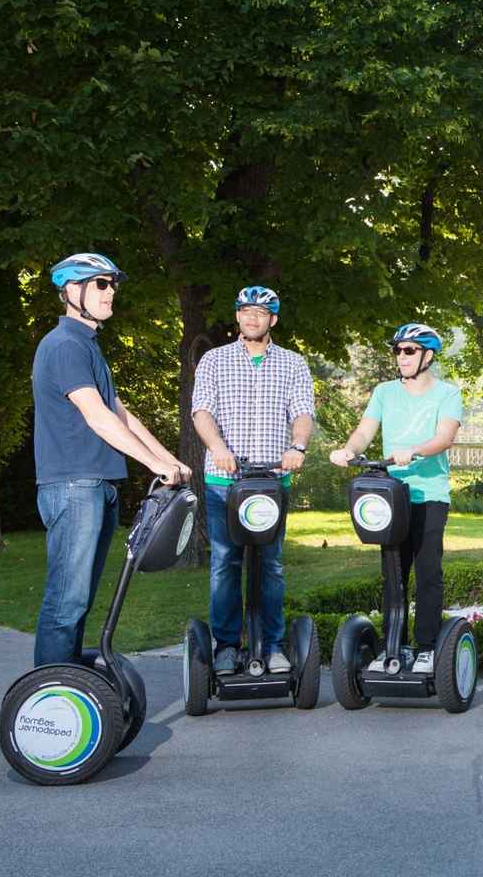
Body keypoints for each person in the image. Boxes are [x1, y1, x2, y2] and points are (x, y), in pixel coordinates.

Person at [31, 253, 191, 666]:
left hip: (96, 484)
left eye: (112, 284)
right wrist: (152, 464)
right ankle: (49, 698)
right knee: (67, 600)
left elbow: (121, 414)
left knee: (79, 598)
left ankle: (69, 683)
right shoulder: (63, 345)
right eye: (100, 283)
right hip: (73, 485)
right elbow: (97, 416)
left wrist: (167, 457)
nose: (110, 292)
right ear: (71, 291)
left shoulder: (87, 347)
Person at [191, 286, 315, 676]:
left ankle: (272, 644)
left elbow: (302, 412)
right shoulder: (214, 360)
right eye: (245, 310)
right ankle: (227, 645)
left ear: (272, 320)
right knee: (226, 562)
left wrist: (297, 447)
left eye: (260, 312)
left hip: (271, 482)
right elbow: (202, 411)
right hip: (223, 480)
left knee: (271, 565)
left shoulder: (293, 364)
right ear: (238, 316)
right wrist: (219, 448)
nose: (251, 318)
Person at [331, 323, 461, 674]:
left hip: (429, 494)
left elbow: (445, 437)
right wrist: (348, 450)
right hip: (392, 495)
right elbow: (364, 431)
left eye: (409, 351)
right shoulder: (385, 392)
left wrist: (414, 451)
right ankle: (394, 645)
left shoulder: (447, 394)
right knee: (393, 572)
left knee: (427, 570)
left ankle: (428, 647)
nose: (401, 357)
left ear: (427, 355)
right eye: (398, 351)